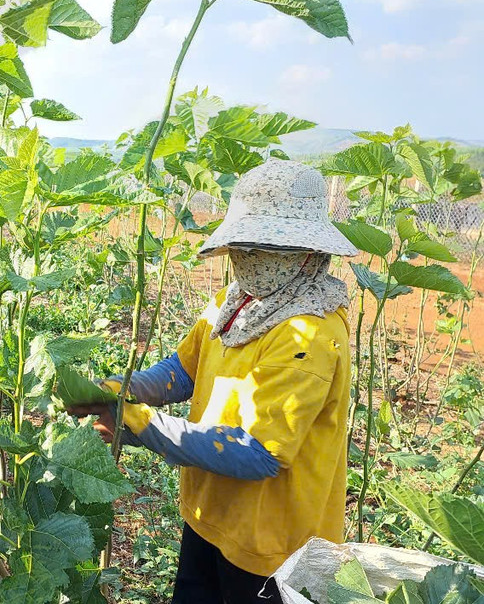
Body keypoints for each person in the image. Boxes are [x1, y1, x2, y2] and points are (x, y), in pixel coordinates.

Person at [69, 159, 358, 604]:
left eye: (265, 248)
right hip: (210, 514)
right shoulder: (234, 301)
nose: (248, 258)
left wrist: (140, 422)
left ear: (306, 253)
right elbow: (184, 370)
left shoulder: (311, 335)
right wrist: (123, 389)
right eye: (243, 245)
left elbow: (258, 454)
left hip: (272, 544)